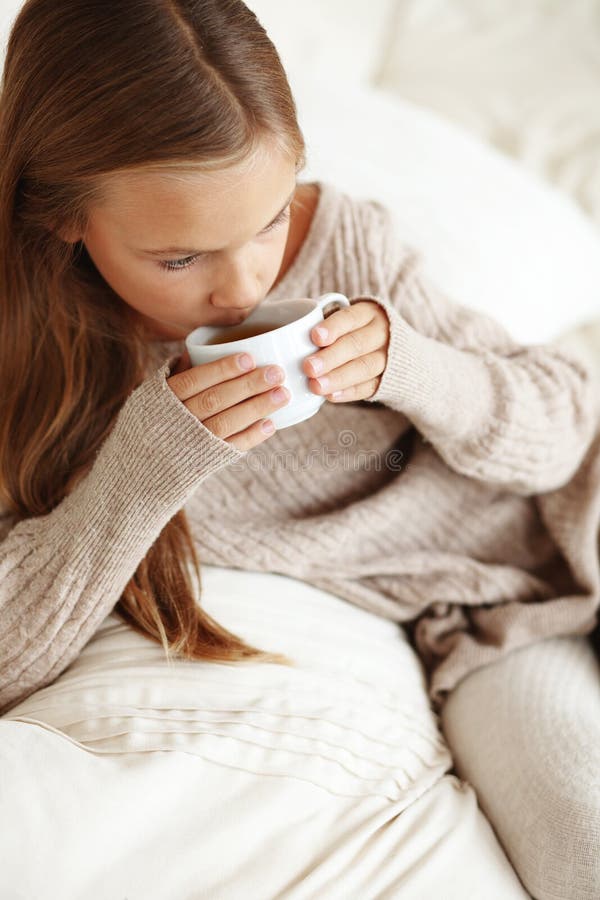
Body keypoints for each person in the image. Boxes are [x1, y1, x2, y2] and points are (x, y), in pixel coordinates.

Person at [0, 1, 598, 896]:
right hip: (488, 626)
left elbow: (557, 434)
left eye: (272, 220)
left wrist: (411, 364)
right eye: (180, 259)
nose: (245, 287)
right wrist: (147, 463)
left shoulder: (349, 242)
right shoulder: (30, 348)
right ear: (61, 219)